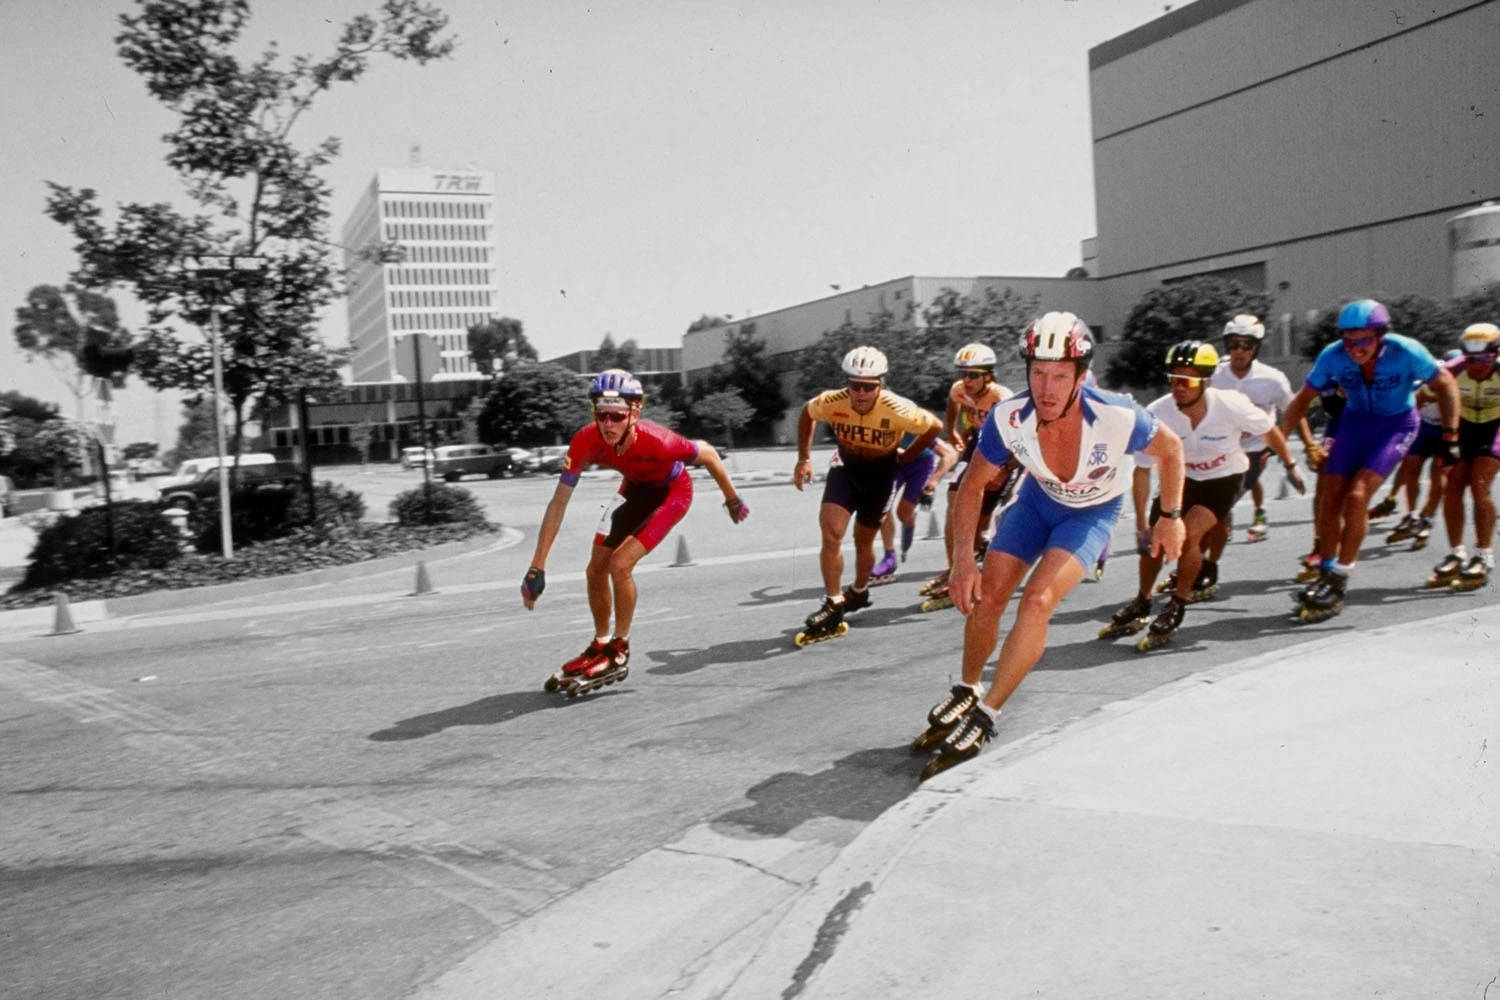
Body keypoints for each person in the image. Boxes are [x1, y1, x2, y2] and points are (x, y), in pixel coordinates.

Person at [916, 312, 1186, 778]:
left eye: (1060, 375)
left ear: (1081, 375)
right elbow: (972, 486)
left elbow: (1173, 450)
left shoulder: (1117, 415)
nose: (1047, 387)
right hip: (1038, 502)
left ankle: (988, 714)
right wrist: (962, 559)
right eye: (1038, 373)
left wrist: (1170, 516)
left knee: (1037, 600)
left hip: (1091, 514)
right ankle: (967, 688)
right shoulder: (1009, 417)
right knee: (988, 598)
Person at [522, 369, 749, 694]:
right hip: (633, 489)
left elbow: (710, 455)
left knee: (619, 564)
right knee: (594, 570)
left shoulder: (661, 441)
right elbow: (558, 502)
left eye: (617, 415)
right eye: (602, 415)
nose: (608, 424)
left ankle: (620, 647)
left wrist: (732, 498)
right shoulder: (586, 441)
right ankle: (601, 645)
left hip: (672, 492)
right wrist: (537, 564)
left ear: (635, 413)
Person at [1101, 340, 1303, 650]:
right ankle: (1142, 601)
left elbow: (1269, 430)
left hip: (1223, 479)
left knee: (1187, 537)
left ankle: (1177, 604)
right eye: (1173, 379)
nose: (1178, 387)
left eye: (1187, 381)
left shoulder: (1230, 404)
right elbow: (1141, 470)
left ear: (1206, 381)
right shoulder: (1158, 413)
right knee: (1154, 541)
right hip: (1181, 479)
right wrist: (1141, 523)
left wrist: (1290, 465)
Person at [1280, 299, 1459, 621]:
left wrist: (1450, 436)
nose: (1354, 348)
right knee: (1329, 497)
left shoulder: (1407, 351)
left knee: (1357, 495)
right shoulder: (1332, 355)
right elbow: (1301, 401)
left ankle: (1340, 576)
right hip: (1355, 423)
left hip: (1396, 425)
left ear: (1380, 336)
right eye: (1349, 340)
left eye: (1362, 340)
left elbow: (1446, 386)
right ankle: (1326, 569)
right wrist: (1279, 443)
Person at [792, 346, 943, 643]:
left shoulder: (898, 408)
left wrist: (909, 456)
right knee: (831, 531)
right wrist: (803, 458)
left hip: (881, 477)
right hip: (846, 470)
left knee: (863, 541)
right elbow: (806, 414)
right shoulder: (833, 401)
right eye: (854, 385)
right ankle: (833, 601)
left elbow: (934, 426)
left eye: (868, 387)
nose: (860, 393)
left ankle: (859, 591)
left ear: (881, 385)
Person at [921, 343, 1016, 605]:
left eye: (973, 375)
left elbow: (1021, 440)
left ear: (988, 375)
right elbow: (954, 404)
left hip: (1006, 451)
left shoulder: (1003, 398)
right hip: (977, 444)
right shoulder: (959, 390)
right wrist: (952, 430)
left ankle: (974, 563)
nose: (967, 380)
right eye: (963, 373)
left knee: (982, 517)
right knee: (956, 502)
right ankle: (956, 569)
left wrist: (1006, 468)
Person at [1207, 314, 1313, 545]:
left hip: (1256, 449)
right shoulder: (1213, 376)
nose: (1240, 351)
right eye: (1234, 344)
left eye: (1247, 345)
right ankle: (1223, 523)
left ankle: (1240, 517)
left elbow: (1295, 411)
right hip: (1221, 447)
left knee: (1223, 500)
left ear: (1256, 348)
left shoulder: (1272, 379)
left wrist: (1308, 448)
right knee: (1212, 502)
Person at [1428, 323, 1500, 591]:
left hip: (1496, 428)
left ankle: (1484, 554)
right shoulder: (1453, 369)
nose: (1477, 365)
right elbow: (1423, 395)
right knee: (1454, 485)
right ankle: (1457, 552)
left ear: (1495, 354)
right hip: (1467, 428)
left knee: (1480, 484)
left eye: (1484, 359)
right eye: (1471, 358)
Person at [1374, 348, 1461, 549]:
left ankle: (1428, 517)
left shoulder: (1463, 384)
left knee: (1439, 472)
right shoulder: (1435, 380)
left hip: (1447, 429)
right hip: (1424, 425)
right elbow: (1413, 407)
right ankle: (1412, 514)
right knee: (1411, 466)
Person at [871, 434, 958, 582]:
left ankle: (910, 519)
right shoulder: (881, 422)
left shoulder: (915, 425)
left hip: (920, 464)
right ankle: (889, 557)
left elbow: (950, 455)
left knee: (903, 514)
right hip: (895, 464)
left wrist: (932, 483)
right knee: (881, 504)